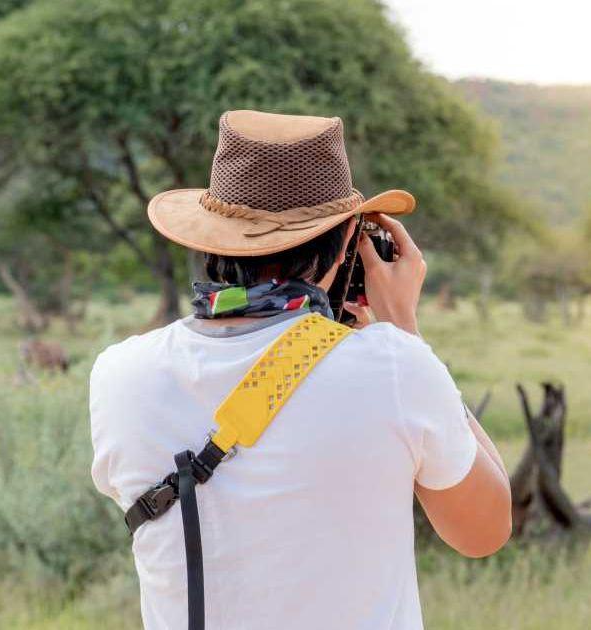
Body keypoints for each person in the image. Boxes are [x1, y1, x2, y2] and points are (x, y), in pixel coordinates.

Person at [90, 110, 511, 630]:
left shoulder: (119, 374)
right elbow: (485, 530)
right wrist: (405, 326)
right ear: (345, 246)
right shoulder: (396, 368)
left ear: (211, 242)